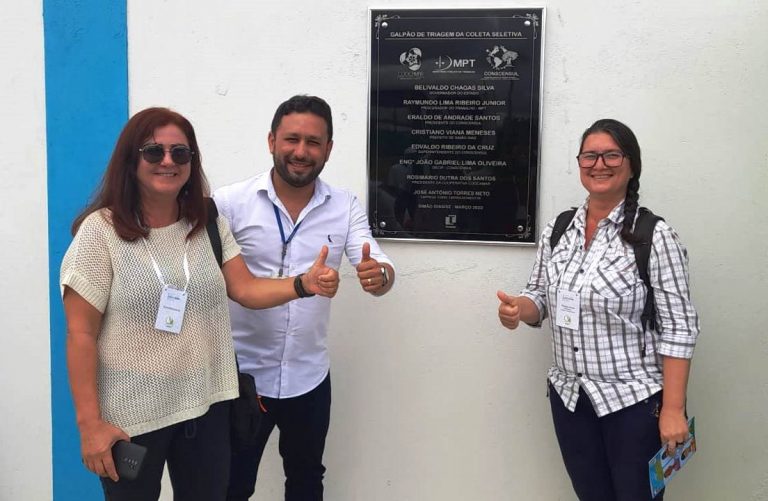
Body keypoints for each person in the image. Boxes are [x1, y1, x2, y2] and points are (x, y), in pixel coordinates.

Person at [60, 107, 339, 501]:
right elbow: (80, 334)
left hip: (206, 408)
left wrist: (302, 284)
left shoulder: (206, 222)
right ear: (130, 160)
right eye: (154, 152)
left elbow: (245, 289)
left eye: (180, 152)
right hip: (133, 414)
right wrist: (90, 425)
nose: (168, 161)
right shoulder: (100, 232)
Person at [497, 119, 700, 501]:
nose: (599, 164)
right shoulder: (559, 230)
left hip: (633, 403)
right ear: (580, 163)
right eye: (589, 156)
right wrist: (518, 309)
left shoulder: (654, 236)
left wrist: (673, 409)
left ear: (631, 165)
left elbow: (679, 328)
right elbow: (538, 296)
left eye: (611, 155)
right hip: (570, 398)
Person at [214, 95, 396, 501]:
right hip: (241, 377)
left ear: (328, 149)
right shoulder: (230, 203)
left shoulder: (344, 206)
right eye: (291, 139)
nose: (301, 151)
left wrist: (378, 276)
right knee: (231, 485)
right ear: (271, 141)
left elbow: (378, 263)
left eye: (313, 142)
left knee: (307, 482)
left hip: (308, 377)